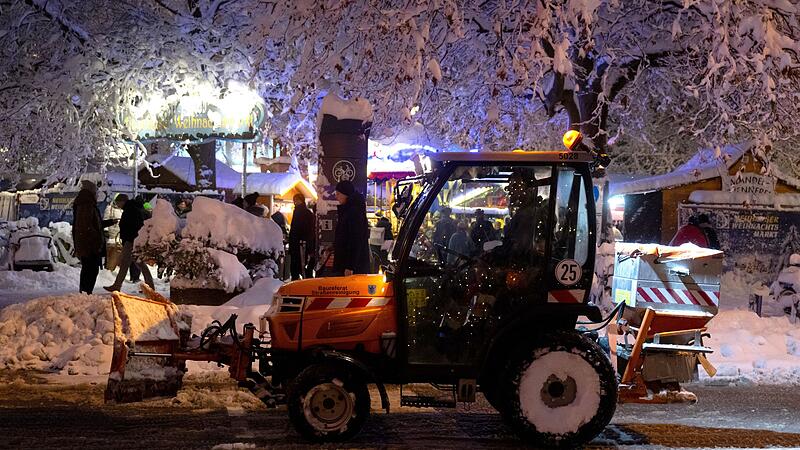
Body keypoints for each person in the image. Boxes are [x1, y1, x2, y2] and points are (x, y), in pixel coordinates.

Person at [72, 180, 116, 294]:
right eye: (95, 191)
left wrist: (109, 222)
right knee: (90, 270)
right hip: (89, 245)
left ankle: (85, 293)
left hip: (87, 244)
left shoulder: (86, 203)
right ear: (91, 192)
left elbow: (94, 224)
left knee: (89, 269)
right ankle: (86, 293)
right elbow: (86, 226)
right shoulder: (86, 204)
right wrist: (95, 240)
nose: (97, 194)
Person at [104, 194, 154, 292]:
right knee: (133, 263)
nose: (117, 205)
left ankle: (117, 285)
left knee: (130, 262)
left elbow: (132, 226)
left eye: (118, 202)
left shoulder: (130, 209)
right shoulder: (133, 208)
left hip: (131, 240)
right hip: (133, 240)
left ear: (123, 201)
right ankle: (149, 285)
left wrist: (128, 239)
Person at [333, 180, 370, 276]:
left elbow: (355, 240)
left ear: (346, 194)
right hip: (349, 264)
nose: (336, 196)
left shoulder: (353, 212)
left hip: (352, 267)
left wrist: (350, 266)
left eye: (338, 193)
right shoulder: (350, 210)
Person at [289, 193, 315, 280]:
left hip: (301, 244)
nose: (295, 202)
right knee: (299, 267)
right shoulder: (299, 212)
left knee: (299, 266)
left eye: (297, 200)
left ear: (301, 200)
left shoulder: (303, 213)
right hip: (298, 243)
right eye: (294, 200)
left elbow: (307, 230)